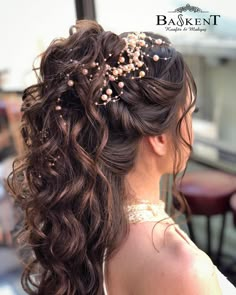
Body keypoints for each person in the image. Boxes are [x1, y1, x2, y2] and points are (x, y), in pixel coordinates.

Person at [6, 19, 236, 295]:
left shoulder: (86, 224)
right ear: (160, 139)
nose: (191, 128)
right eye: (191, 114)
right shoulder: (184, 270)